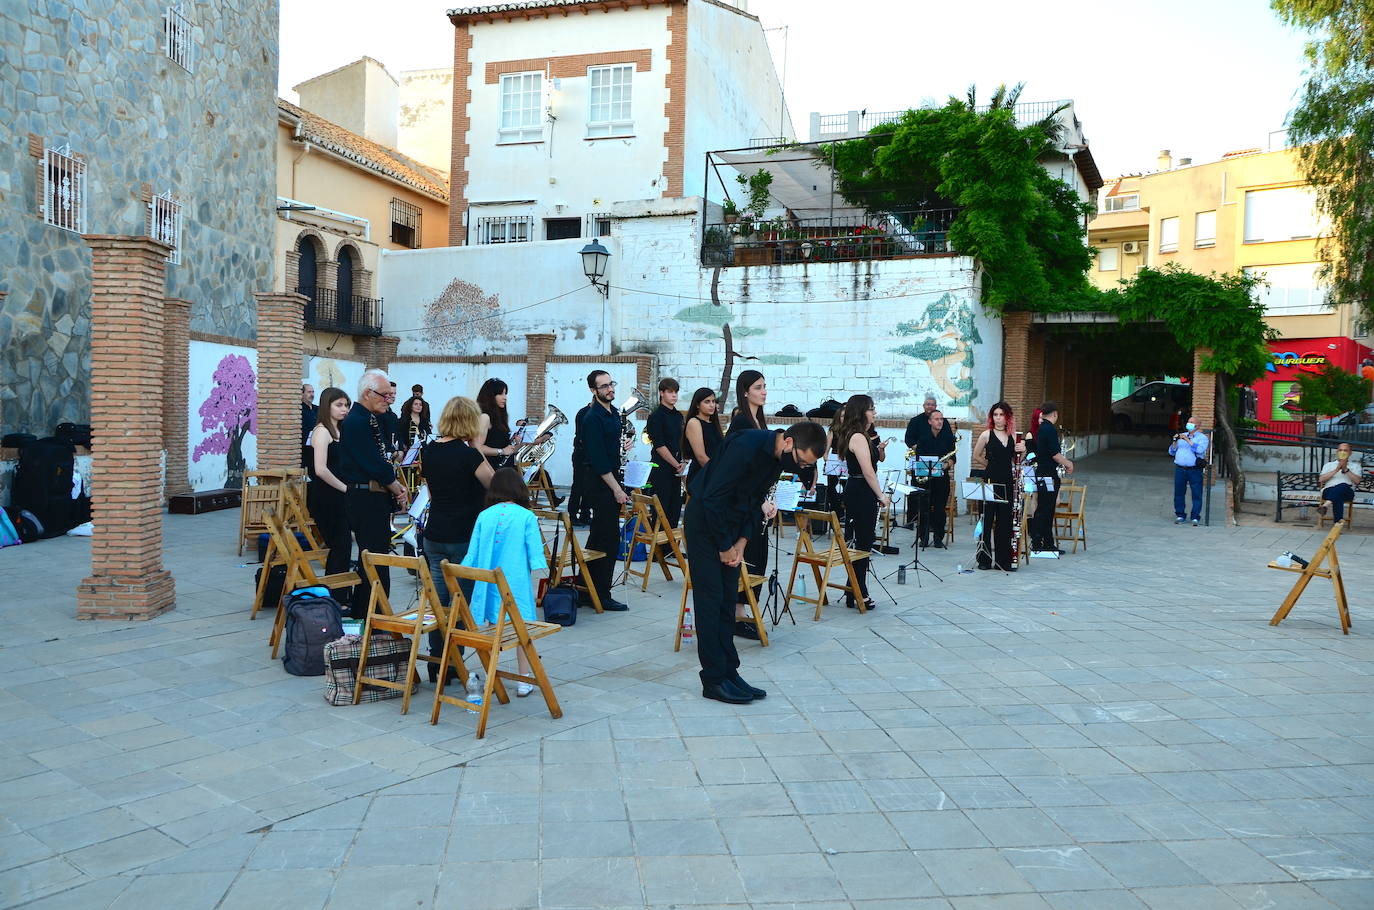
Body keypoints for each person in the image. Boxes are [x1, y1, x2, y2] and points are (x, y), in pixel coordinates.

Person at [685, 421, 826, 703]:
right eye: (800, 460)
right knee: (711, 603)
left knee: (728, 601)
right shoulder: (744, 446)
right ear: (788, 442)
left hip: (731, 530)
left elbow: (753, 501)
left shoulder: (777, 459)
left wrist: (741, 544)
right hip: (705, 525)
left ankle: (729, 672)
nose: (799, 468)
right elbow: (712, 498)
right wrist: (725, 546)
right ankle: (713, 679)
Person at [421, 396, 494, 682]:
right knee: (461, 603)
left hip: (435, 534)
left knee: (441, 603)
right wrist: (477, 448)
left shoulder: (429, 451)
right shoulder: (469, 455)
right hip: (463, 535)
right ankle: (454, 665)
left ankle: (437, 663)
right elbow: (493, 482)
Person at [461, 468, 548, 697]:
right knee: (522, 628)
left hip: (490, 582)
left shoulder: (484, 515)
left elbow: (473, 551)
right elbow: (534, 550)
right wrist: (541, 565)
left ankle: (492, 671)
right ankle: (524, 679)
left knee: (493, 626)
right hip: (515, 581)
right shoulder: (526, 516)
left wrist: (467, 566)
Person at [336, 370, 409, 616]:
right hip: (365, 499)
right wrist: (396, 487)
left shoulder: (368, 418)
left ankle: (370, 615)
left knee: (376, 560)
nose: (389, 399)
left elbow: (381, 457)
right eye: (385, 394)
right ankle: (373, 618)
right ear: (368, 393)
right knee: (375, 562)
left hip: (373, 497)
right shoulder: (357, 421)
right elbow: (372, 463)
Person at [574, 370, 630, 611]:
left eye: (611, 384)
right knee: (608, 538)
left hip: (612, 479)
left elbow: (612, 447)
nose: (610, 389)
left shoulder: (614, 413)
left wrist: (626, 442)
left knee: (599, 537)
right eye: (604, 386)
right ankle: (602, 594)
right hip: (600, 483)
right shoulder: (591, 418)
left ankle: (586, 587)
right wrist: (617, 490)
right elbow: (598, 461)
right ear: (593, 390)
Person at [836, 395, 890, 610]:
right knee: (862, 544)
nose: (874, 413)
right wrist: (881, 495)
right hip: (861, 490)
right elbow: (867, 471)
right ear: (861, 412)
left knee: (863, 544)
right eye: (871, 409)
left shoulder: (863, 435)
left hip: (861, 490)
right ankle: (859, 593)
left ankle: (855, 591)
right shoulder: (857, 436)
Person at [727, 370, 770, 634]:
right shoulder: (742, 422)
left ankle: (742, 611)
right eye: (758, 387)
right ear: (745, 391)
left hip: (758, 501)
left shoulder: (758, 420)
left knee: (758, 558)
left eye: (765, 386)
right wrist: (760, 500)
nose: (763, 391)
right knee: (747, 559)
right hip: (744, 502)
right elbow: (740, 470)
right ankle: (737, 614)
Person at [306, 387, 354, 588]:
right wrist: (346, 489)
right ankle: (335, 593)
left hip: (338, 494)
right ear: (327, 406)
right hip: (325, 496)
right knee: (340, 545)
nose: (344, 409)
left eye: (346, 405)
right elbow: (321, 470)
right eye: (339, 405)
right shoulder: (322, 431)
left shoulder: (340, 430)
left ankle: (339, 592)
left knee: (344, 545)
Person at [971, 401, 1024, 571]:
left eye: (1001, 415)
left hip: (1007, 481)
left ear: (1007, 417)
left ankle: (1003, 561)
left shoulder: (1013, 435)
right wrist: (989, 466)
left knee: (1005, 522)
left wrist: (1022, 450)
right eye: (995, 415)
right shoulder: (986, 434)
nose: (998, 418)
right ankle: (984, 560)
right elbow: (976, 455)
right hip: (989, 481)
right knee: (986, 520)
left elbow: (1018, 461)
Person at [1030, 401, 1073, 552]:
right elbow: (1055, 454)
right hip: (1048, 474)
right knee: (1046, 509)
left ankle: (1044, 542)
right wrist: (1068, 463)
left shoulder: (1042, 428)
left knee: (1044, 508)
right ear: (1055, 414)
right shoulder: (1049, 429)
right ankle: (1039, 542)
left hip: (1042, 473)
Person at [645, 378, 686, 527]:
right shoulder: (656, 417)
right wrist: (677, 464)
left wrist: (683, 463)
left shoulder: (678, 416)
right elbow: (660, 446)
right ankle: (659, 550)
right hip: (661, 469)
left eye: (676, 392)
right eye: (670, 392)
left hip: (676, 470)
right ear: (662, 393)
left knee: (675, 510)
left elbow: (681, 442)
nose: (674, 395)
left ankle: (670, 549)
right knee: (661, 511)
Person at [914, 409, 956, 548]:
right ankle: (923, 537)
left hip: (941, 479)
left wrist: (946, 465)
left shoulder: (949, 438)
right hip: (926, 478)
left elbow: (953, 457)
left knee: (939, 509)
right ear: (930, 421)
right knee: (924, 509)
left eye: (941, 419)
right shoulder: (923, 438)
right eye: (937, 419)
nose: (940, 421)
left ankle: (938, 537)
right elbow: (919, 458)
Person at [1169, 419, 1209, 526]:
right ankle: (1180, 515)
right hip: (1180, 468)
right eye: (1188, 421)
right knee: (1179, 492)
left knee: (1196, 493)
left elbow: (1200, 450)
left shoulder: (1202, 438)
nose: (1189, 424)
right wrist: (1175, 441)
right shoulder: (1181, 436)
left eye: (1192, 422)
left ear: (1198, 425)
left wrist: (1187, 440)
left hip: (1194, 470)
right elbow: (1171, 451)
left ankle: (1195, 517)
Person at [682, 387, 724, 484]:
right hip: (701, 475)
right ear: (697, 405)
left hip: (713, 473)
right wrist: (719, 474)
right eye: (707, 402)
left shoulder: (713, 423)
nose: (711, 405)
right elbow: (701, 456)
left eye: (713, 401)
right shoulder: (694, 422)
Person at [476, 378, 517, 469]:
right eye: (500, 394)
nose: (505, 397)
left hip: (505, 467)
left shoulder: (500, 418)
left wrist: (516, 442)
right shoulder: (484, 417)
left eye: (505, 394)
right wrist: (501, 451)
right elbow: (478, 448)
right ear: (490, 396)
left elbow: (504, 447)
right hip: (491, 468)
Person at [1318, 442, 1362, 524]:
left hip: (1348, 492)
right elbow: (1321, 479)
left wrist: (1345, 469)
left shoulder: (1356, 466)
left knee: (1343, 486)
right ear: (1337, 452)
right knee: (1338, 496)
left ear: (1350, 453)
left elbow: (1357, 481)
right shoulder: (1329, 465)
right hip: (1328, 491)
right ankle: (1337, 524)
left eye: (1345, 450)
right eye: (1340, 450)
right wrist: (1336, 469)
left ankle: (1325, 505)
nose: (1342, 452)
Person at [567, 401, 594, 526]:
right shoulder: (583, 413)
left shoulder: (595, 413)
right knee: (578, 486)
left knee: (589, 487)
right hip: (581, 454)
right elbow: (583, 435)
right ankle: (572, 515)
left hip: (591, 455)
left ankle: (585, 514)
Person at [301, 383, 317, 468]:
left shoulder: (317, 409)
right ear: (302, 394)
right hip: (305, 450)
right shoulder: (299, 410)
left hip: (317, 447)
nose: (312, 394)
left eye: (313, 392)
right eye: (309, 392)